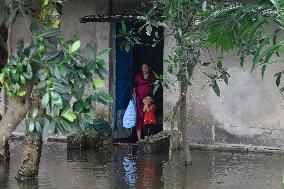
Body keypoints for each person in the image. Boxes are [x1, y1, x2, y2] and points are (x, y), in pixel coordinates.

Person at [133, 63, 155, 140]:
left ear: (148, 68)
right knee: (139, 117)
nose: (144, 69)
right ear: (141, 69)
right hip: (139, 99)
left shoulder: (152, 77)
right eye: (143, 67)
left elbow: (154, 89)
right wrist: (134, 93)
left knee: (148, 117)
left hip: (148, 100)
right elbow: (135, 86)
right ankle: (139, 138)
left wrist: (151, 99)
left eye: (146, 67)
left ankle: (147, 137)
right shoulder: (138, 77)